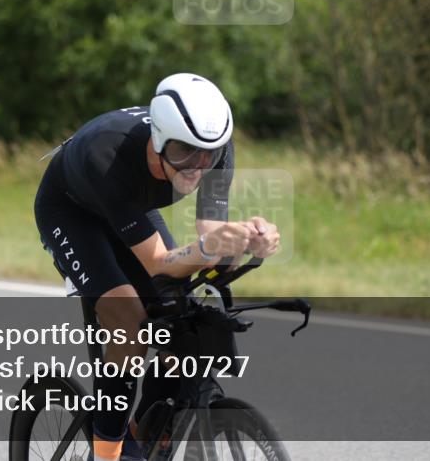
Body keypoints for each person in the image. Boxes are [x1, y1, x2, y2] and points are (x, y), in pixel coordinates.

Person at [34, 72, 281, 461]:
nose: (197, 167)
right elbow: (158, 262)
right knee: (129, 319)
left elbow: (211, 238)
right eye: (184, 153)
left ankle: (142, 435)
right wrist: (209, 247)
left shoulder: (213, 149)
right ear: (159, 140)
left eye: (207, 155)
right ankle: (107, 452)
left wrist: (251, 242)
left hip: (131, 207)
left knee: (177, 323)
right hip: (72, 212)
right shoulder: (109, 155)